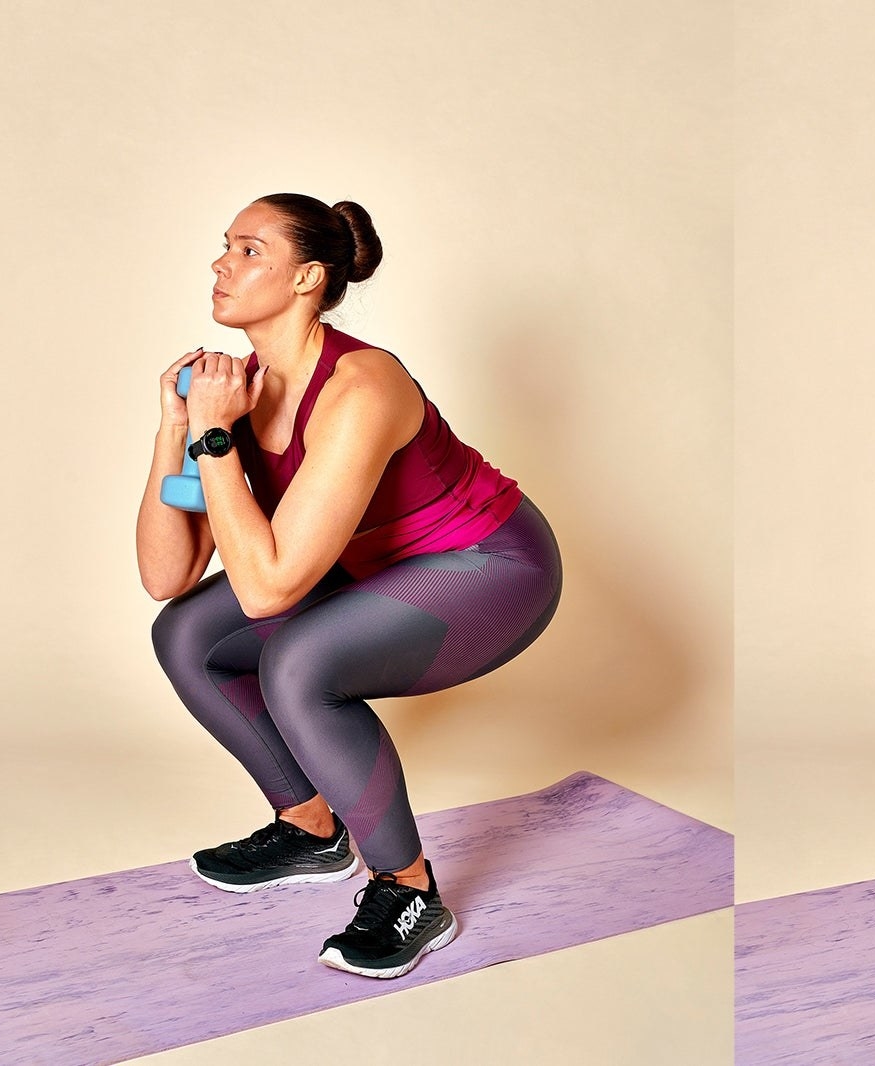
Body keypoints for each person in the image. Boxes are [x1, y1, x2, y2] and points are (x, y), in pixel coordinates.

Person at [137, 193, 562, 979]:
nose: (220, 263)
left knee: (298, 662)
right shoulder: (237, 389)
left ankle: (409, 888)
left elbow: (267, 593)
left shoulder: (362, 387)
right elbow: (167, 576)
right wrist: (179, 424)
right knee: (186, 636)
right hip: (375, 562)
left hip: (491, 566)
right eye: (224, 246)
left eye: (249, 250)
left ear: (307, 277)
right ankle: (310, 829)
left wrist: (217, 435)